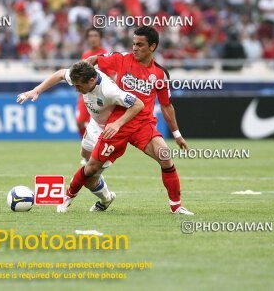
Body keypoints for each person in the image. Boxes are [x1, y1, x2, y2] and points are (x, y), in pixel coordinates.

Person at [77, 26, 194, 215]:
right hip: (118, 123)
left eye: (140, 45)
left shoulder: (160, 74)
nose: (135, 48)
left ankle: (176, 207)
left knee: (165, 156)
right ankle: (101, 198)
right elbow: (95, 59)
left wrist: (177, 134)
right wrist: (84, 66)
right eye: (133, 43)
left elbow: (166, 106)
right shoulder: (123, 58)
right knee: (90, 169)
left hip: (143, 125)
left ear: (152, 46)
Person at [17, 61, 144, 212]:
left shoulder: (109, 91)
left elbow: (138, 104)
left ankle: (74, 197)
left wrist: (117, 124)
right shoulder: (81, 76)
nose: (76, 90)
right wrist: (37, 90)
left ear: (92, 80)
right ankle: (105, 194)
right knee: (84, 155)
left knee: (89, 174)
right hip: (94, 125)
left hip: (110, 133)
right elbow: (59, 74)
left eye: (79, 86)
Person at [76, 28, 107, 140]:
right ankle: (88, 148)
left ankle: (95, 151)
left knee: (95, 127)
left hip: (99, 95)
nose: (93, 38)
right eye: (90, 36)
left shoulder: (105, 54)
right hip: (85, 94)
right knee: (79, 122)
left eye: (95, 35)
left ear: (100, 38)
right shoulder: (86, 54)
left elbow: (112, 74)